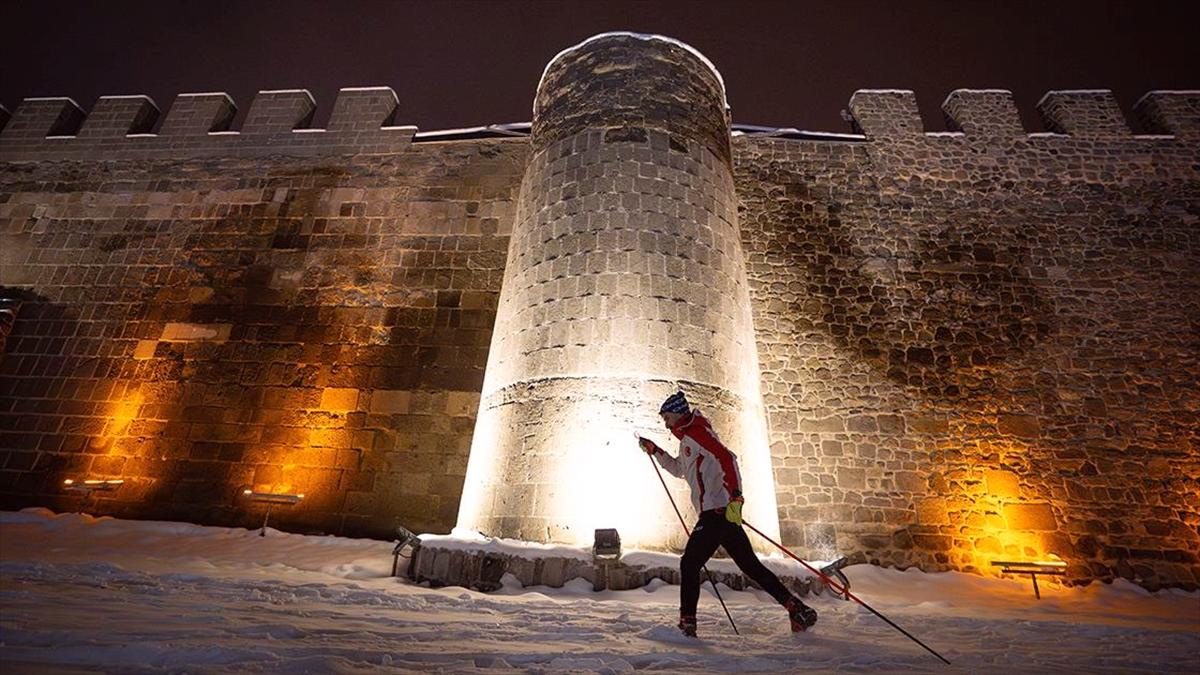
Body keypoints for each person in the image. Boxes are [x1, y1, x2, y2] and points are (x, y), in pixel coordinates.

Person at [639, 390, 818, 638]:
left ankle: (687, 623)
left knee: (689, 563)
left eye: (666, 417)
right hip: (720, 514)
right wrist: (655, 450)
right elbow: (680, 469)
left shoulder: (697, 433)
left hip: (716, 513)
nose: (665, 422)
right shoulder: (689, 439)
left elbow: (727, 458)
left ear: (677, 414)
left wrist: (736, 496)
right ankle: (795, 608)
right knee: (751, 566)